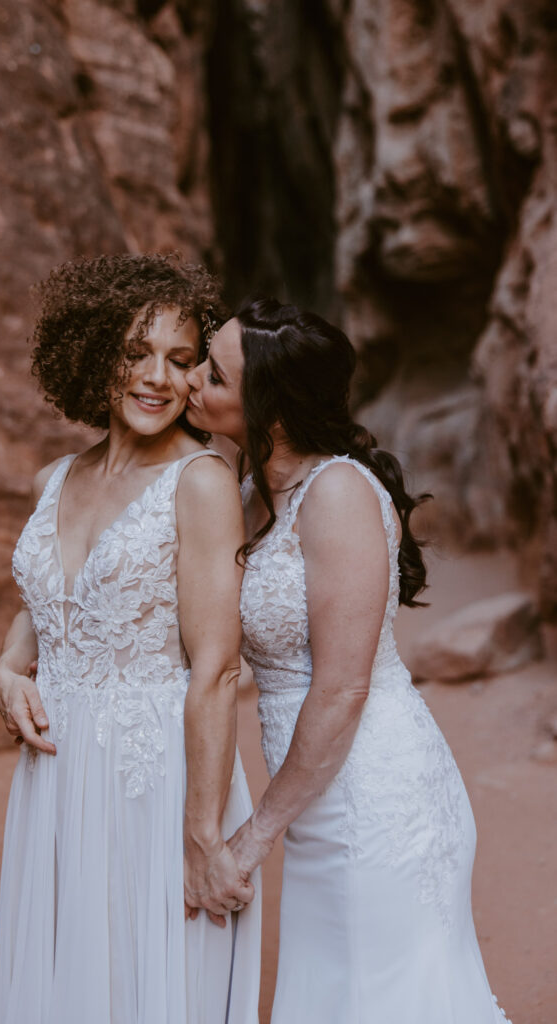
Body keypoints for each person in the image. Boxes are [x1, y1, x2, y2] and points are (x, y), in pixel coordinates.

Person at [184, 297, 512, 1024]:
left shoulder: (333, 495)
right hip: (313, 797)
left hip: (373, 798)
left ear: (268, 409)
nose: (189, 383)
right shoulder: (248, 493)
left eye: (212, 376)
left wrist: (253, 836)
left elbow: (341, 688)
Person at [0, 254, 260, 1024]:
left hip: (153, 772)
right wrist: (10, 668)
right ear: (90, 353)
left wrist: (204, 836)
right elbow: (52, 603)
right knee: (66, 976)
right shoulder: (55, 479)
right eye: (134, 353)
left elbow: (214, 666)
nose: (157, 378)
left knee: (139, 981)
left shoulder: (200, 482)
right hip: (54, 778)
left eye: (181, 361)